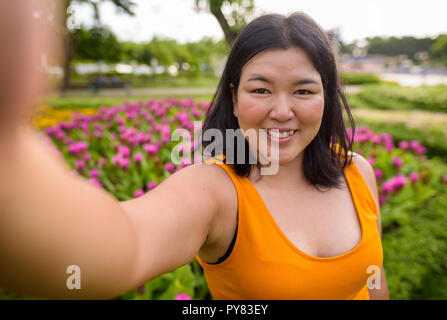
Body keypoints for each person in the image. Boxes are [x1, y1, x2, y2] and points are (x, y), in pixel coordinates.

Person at [0, 0, 389, 300]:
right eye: (260, 89)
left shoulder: (357, 172)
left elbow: (373, 280)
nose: (282, 111)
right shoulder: (215, 191)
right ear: (234, 99)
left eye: (304, 90)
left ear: (327, 97)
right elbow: (122, 249)